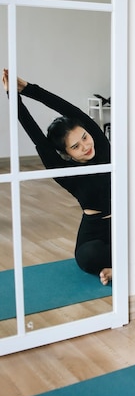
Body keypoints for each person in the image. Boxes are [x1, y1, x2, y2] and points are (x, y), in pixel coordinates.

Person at [2, 69, 112, 286]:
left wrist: (27, 88)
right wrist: (12, 97)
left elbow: (68, 109)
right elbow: (35, 135)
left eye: (84, 137)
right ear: (66, 154)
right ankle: (121, 265)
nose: (85, 146)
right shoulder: (65, 172)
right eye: (76, 146)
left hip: (123, 225)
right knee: (87, 257)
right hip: (95, 233)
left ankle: (117, 266)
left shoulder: (101, 146)